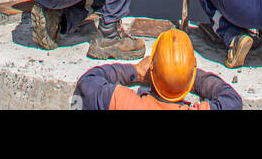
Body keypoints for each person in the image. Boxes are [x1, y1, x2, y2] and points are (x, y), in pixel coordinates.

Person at [73, 28, 242, 111]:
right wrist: (186, 73)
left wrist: (136, 71)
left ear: (151, 69)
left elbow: (88, 83)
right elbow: (232, 100)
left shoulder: (126, 103)